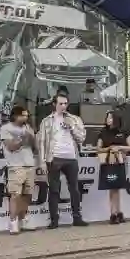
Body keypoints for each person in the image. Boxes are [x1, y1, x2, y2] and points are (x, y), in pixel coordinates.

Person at [37, 93, 88, 228]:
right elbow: (41, 142)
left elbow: (82, 138)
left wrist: (71, 127)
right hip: (54, 157)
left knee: (74, 189)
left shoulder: (75, 119)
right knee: (54, 189)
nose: (63, 106)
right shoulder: (47, 121)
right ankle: (54, 220)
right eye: (60, 103)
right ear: (54, 104)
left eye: (65, 103)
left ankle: (77, 218)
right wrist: (42, 161)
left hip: (71, 157)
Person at [0, 106, 38, 234]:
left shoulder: (28, 128)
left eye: (27, 115)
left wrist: (31, 137)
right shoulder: (6, 129)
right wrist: (22, 140)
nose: (26, 118)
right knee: (15, 194)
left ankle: (24, 219)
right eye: (23, 115)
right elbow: (10, 147)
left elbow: (34, 147)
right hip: (15, 165)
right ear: (15, 116)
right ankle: (13, 222)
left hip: (29, 164)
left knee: (27, 194)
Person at [97, 110, 130, 224]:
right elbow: (98, 148)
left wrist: (119, 147)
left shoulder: (124, 132)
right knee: (112, 187)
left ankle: (118, 212)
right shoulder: (103, 132)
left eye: (110, 118)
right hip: (108, 162)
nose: (108, 120)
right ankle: (113, 213)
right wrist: (110, 148)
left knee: (117, 188)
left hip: (121, 162)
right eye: (107, 117)